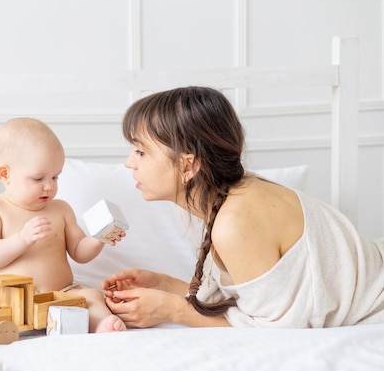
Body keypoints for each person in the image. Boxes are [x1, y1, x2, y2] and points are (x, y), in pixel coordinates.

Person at [102, 86, 384, 328]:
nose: (129, 162)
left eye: (140, 151)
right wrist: (165, 285)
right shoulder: (213, 201)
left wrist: (172, 309)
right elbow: (244, 297)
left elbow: (270, 327)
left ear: (187, 165)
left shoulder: (235, 221)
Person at [0, 117, 126, 334]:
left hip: (61, 295)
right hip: (5, 300)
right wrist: (21, 239)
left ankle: (102, 324)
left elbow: (79, 252)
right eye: (38, 178)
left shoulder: (61, 209)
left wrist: (98, 238)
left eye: (55, 177)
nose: (49, 186)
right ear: (5, 174)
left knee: (92, 296)